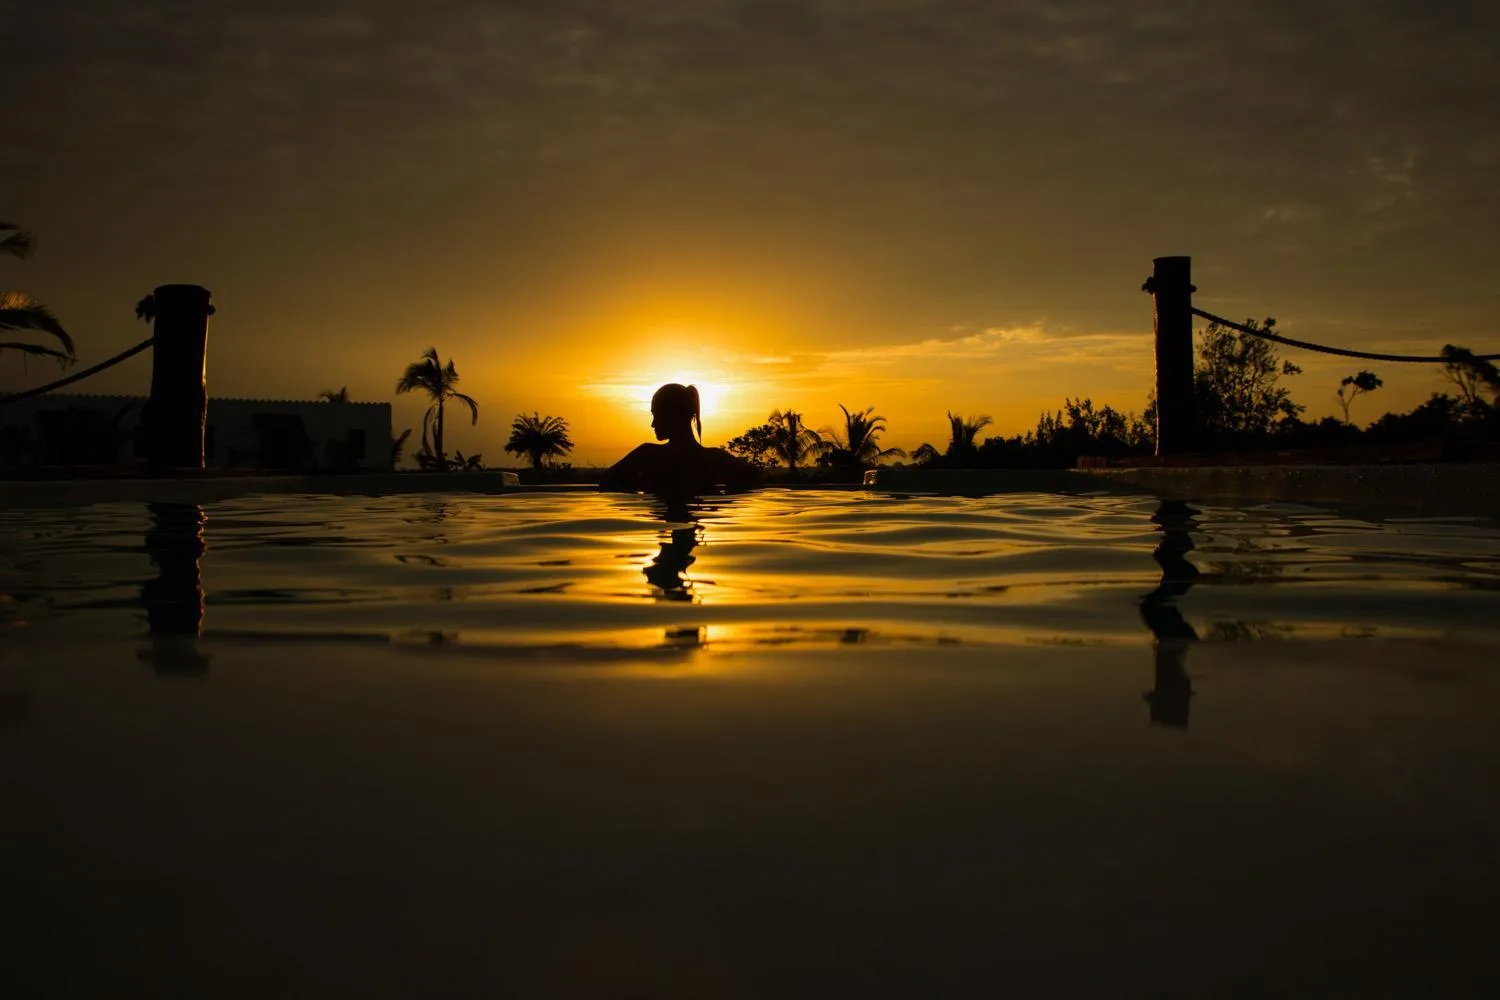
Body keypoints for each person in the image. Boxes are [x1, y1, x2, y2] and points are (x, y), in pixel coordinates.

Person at [600, 383, 762, 495]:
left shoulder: (648, 455)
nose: (653, 424)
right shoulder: (714, 458)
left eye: (656, 415)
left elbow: (606, 481)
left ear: (671, 414)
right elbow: (755, 477)